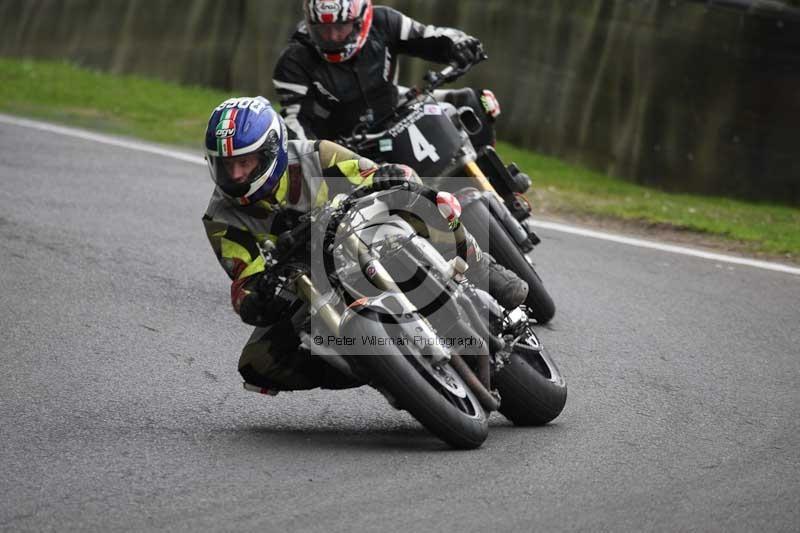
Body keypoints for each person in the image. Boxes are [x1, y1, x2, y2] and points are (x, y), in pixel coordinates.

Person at [202, 96, 526, 392]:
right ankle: (376, 367)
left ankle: (485, 267)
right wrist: (254, 299)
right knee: (257, 363)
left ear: (271, 150)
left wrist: (388, 175)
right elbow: (244, 279)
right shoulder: (222, 219)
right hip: (310, 283)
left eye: (245, 162)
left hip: (363, 232)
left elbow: (376, 174)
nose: (237, 174)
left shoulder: (316, 154)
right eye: (227, 165)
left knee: (417, 201)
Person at [272, 0, 501, 149]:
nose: (332, 37)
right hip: (350, 145)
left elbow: (430, 37)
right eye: (323, 29)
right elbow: (295, 123)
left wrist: (459, 45)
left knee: (475, 101)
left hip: (396, 108)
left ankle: (497, 180)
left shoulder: (384, 21)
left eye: (341, 27)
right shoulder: (294, 60)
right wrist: (321, 151)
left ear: (362, 20)